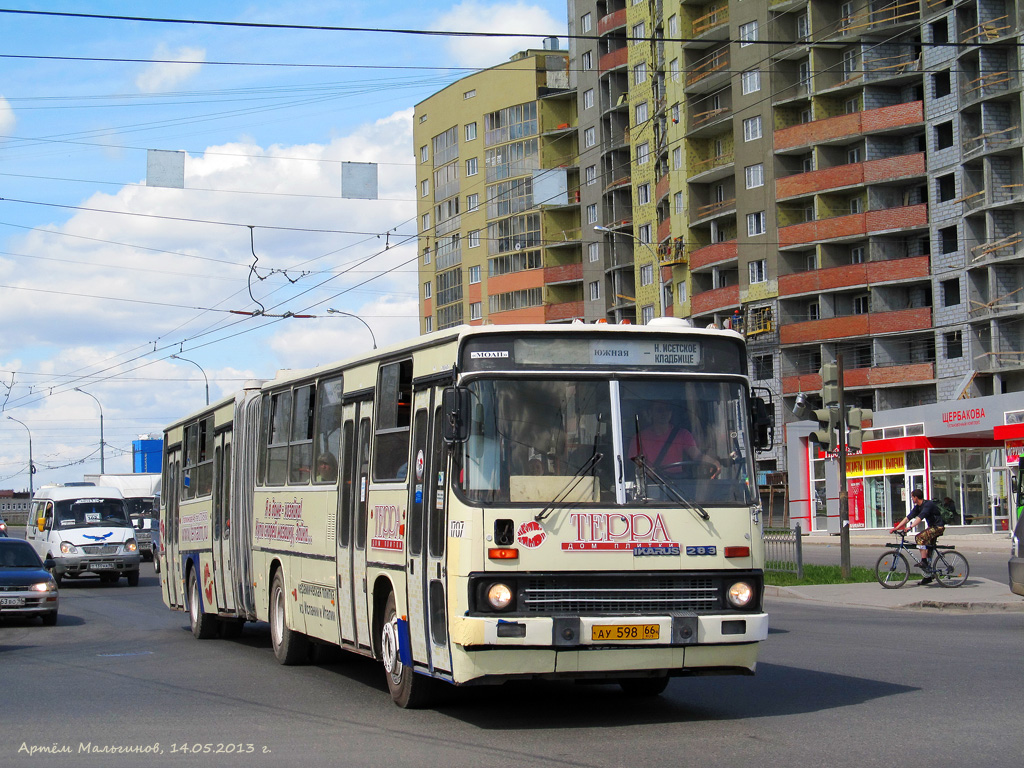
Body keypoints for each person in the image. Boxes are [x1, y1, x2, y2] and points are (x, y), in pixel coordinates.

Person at [630, 400, 721, 478]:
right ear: (651, 413)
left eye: (668, 409)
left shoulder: (682, 434)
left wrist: (713, 462)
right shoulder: (639, 438)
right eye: (660, 410)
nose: (664, 413)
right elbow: (635, 466)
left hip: (679, 486)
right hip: (652, 487)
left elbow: (697, 455)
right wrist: (647, 472)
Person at [891, 488, 945, 585]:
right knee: (928, 549)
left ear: (916, 497)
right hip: (932, 527)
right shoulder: (918, 507)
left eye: (912, 497)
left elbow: (920, 518)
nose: (912, 499)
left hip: (938, 527)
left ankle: (923, 561)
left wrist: (910, 527)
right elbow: (908, 517)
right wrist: (896, 528)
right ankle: (927, 575)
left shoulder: (927, 505)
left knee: (919, 537)